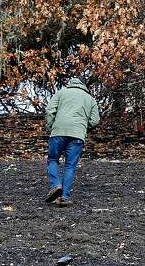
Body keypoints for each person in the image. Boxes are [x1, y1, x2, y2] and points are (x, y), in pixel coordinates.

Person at [44, 76, 100, 207]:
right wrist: (83, 128)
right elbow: (95, 120)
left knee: (52, 160)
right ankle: (64, 197)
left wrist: (50, 126)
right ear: (84, 85)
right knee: (70, 165)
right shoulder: (90, 99)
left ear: (71, 83)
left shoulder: (61, 93)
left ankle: (56, 185)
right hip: (77, 135)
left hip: (58, 132)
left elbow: (49, 111)